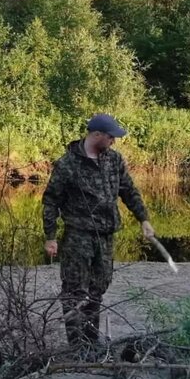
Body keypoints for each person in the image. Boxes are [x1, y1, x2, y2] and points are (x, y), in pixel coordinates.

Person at [41, 113, 154, 352]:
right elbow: (50, 201)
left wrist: (143, 218)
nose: (114, 141)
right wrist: (50, 236)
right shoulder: (67, 164)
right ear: (97, 135)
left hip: (105, 237)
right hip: (78, 236)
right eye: (111, 137)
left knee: (97, 289)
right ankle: (76, 345)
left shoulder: (114, 160)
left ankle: (91, 342)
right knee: (74, 291)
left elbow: (129, 191)